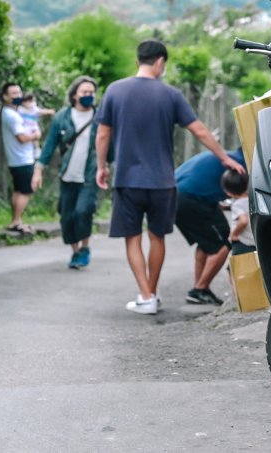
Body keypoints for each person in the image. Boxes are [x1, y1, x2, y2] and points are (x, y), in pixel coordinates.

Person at [95, 39, 246, 316]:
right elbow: (199, 131)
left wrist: (101, 166)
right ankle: (152, 292)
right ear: (160, 62)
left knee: (132, 239)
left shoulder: (115, 91)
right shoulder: (170, 95)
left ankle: (146, 295)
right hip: (163, 181)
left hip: (128, 179)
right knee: (157, 238)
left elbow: (103, 133)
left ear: (138, 60)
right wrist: (224, 159)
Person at [31, 76, 101, 269]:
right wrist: (38, 170)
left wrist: (107, 167)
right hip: (68, 174)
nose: (89, 96)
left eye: (91, 93)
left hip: (89, 175)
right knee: (67, 216)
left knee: (83, 211)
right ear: (75, 95)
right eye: (84, 92)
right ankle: (75, 251)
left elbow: (109, 145)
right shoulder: (62, 117)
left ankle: (85, 248)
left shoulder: (100, 117)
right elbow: (49, 145)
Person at [174, 148, 246, 305]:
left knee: (207, 243)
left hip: (173, 195)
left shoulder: (228, 155)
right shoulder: (241, 164)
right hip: (190, 198)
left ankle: (199, 289)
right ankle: (200, 289)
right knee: (224, 243)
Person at [0, 82, 40, 233]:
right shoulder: (11, 115)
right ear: (5, 97)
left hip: (17, 158)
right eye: (13, 94)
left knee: (18, 190)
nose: (18, 96)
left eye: (19, 93)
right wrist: (35, 135)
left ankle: (15, 221)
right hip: (22, 158)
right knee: (26, 190)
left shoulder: (13, 112)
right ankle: (17, 221)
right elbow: (22, 138)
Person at [221, 169, 255, 255]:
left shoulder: (237, 204)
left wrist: (234, 234)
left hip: (242, 243)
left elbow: (243, 221)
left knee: (238, 266)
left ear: (228, 193)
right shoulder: (253, 200)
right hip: (255, 242)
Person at [18, 92, 55, 159]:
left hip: (32, 127)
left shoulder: (34, 109)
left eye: (31, 101)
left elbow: (41, 111)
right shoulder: (20, 109)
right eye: (28, 102)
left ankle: (37, 149)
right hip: (24, 126)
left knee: (35, 139)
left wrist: (50, 111)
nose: (30, 103)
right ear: (23, 102)